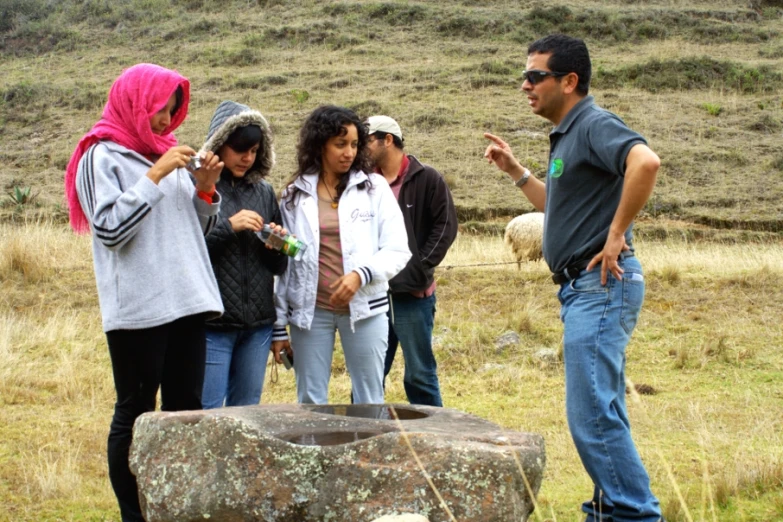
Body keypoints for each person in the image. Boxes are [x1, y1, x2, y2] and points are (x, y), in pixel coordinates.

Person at [484, 35, 663, 522]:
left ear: (569, 81)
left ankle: (633, 515)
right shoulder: (568, 135)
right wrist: (517, 171)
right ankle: (609, 510)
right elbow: (557, 209)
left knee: (590, 418)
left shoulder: (593, 124)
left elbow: (645, 162)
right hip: (581, 290)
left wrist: (616, 234)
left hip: (600, 286)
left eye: (535, 76)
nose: (525, 85)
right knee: (602, 410)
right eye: (524, 76)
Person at [65, 64, 225, 521]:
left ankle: (177, 508)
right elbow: (111, 229)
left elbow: (191, 231)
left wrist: (205, 191)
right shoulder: (99, 157)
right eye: (160, 109)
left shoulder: (165, 153)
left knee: (185, 412)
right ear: (134, 101)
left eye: (173, 111)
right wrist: (154, 176)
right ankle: (135, 513)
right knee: (136, 410)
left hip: (188, 302)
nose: (165, 120)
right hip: (140, 309)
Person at [271, 105, 411, 405]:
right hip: (310, 313)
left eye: (354, 144)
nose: (348, 152)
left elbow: (398, 249)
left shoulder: (375, 189)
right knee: (310, 400)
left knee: (370, 398)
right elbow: (285, 267)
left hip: (365, 310)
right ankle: (311, 452)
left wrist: (361, 275)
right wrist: (277, 324)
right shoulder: (294, 195)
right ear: (320, 144)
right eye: (340, 144)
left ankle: (367, 453)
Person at [198, 100, 287, 409]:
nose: (247, 158)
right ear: (220, 145)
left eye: (254, 150)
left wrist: (277, 243)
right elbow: (189, 253)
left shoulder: (263, 192)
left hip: (258, 326)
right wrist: (229, 227)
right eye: (240, 150)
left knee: (247, 411)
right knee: (208, 413)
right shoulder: (200, 187)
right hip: (214, 325)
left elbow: (278, 265)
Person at [365, 115, 458, 406]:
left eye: (367, 140)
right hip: (374, 295)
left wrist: (418, 267)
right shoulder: (365, 183)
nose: (360, 148)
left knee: (419, 374)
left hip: (414, 298)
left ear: (387, 139)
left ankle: (434, 436)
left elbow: (445, 227)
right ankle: (362, 437)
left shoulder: (427, 178)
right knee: (369, 373)